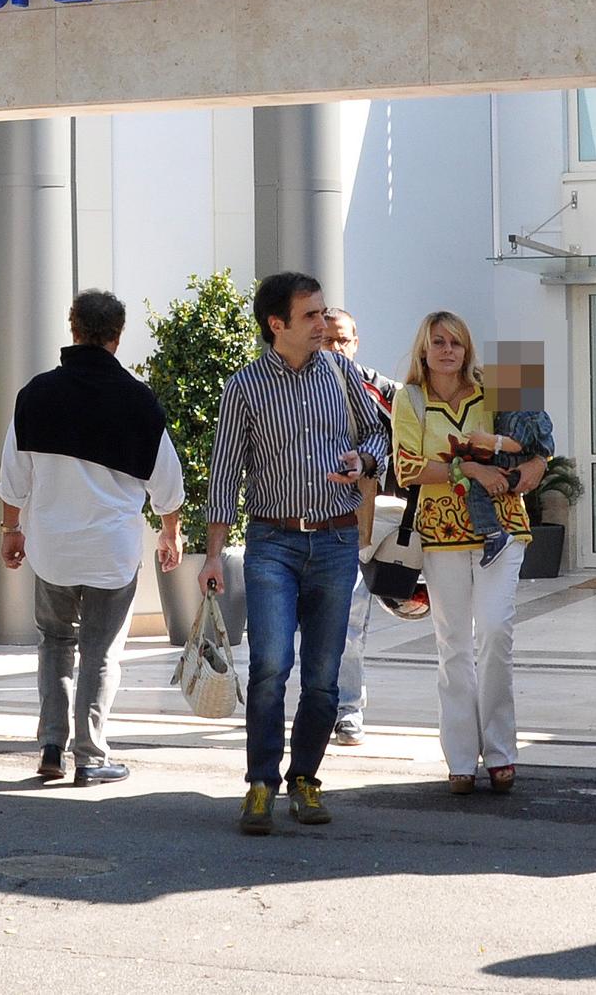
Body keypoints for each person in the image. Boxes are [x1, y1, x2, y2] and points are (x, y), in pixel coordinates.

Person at [201, 271, 393, 834]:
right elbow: (222, 478)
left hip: (336, 541)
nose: (323, 323)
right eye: (310, 315)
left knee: (323, 675)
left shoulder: (341, 371)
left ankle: (305, 779)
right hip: (272, 544)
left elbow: (380, 431)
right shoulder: (243, 387)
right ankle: (261, 784)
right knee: (269, 666)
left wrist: (365, 461)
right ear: (276, 324)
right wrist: (213, 556)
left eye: (324, 312)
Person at [0, 289, 185, 786]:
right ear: (117, 337)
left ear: (72, 326)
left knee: (55, 643)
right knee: (100, 652)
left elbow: (13, 475)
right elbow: (168, 485)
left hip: (51, 548)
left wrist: (11, 529)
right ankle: (92, 755)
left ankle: (52, 746)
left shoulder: (36, 394)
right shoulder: (139, 402)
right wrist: (170, 532)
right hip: (111, 553)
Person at [391, 311, 552, 794]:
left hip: (503, 526)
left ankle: (501, 749)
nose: (447, 350)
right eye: (438, 342)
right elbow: (407, 468)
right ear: (424, 348)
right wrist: (470, 471)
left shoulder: (498, 385)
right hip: (440, 535)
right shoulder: (410, 398)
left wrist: (540, 464)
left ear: (467, 348)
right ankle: (461, 756)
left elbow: (536, 436)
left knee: (497, 633)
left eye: (456, 343)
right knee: (453, 645)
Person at [323, 306, 398, 746]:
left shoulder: (383, 390)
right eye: (327, 339)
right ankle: (323, 702)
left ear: (356, 342)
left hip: (362, 523)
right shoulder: (300, 386)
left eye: (343, 340)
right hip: (307, 522)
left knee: (350, 619)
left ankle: (347, 709)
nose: (335, 348)